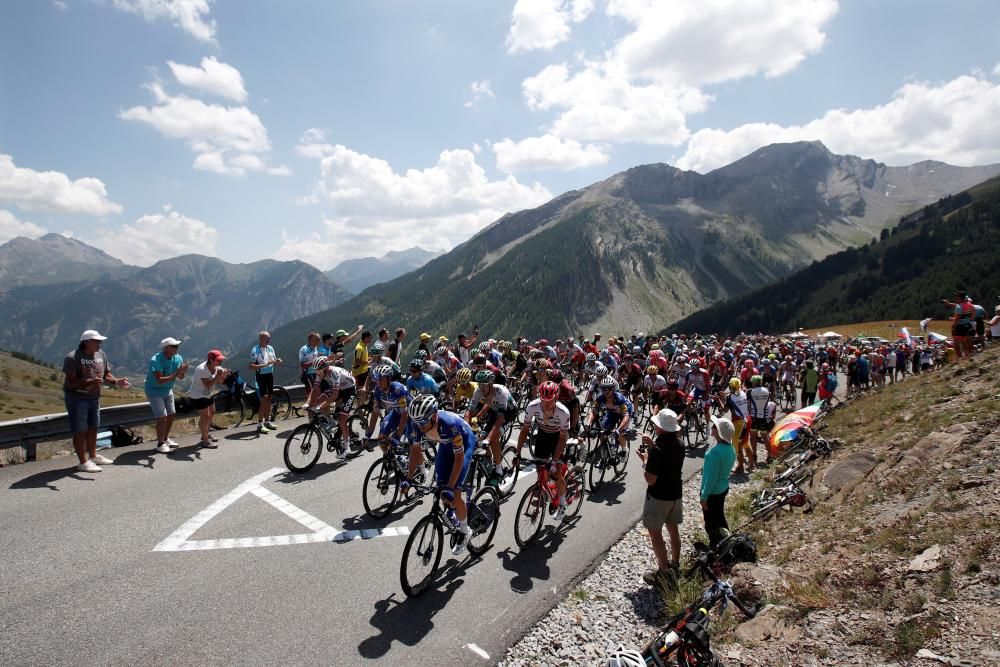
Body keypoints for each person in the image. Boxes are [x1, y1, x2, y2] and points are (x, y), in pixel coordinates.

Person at [408, 395, 476, 556]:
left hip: (465, 447)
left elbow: (459, 458)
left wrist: (451, 487)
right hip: (446, 447)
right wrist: (408, 478)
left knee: (454, 493)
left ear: (433, 415)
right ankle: (451, 509)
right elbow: (415, 450)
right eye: (417, 423)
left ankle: (466, 530)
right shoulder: (418, 422)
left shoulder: (449, 425)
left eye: (423, 422)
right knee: (441, 489)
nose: (420, 426)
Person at [62, 329, 131, 472]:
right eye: (97, 341)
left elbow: (106, 374)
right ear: (86, 342)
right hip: (77, 399)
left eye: (100, 341)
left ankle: (93, 456)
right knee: (80, 431)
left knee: (93, 427)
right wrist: (90, 382)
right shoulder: (72, 357)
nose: (100, 343)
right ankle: (83, 462)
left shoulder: (101, 354)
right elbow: (70, 383)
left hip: (94, 397)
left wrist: (116, 381)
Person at [638, 408, 685, 586]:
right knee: (673, 529)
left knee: (655, 533)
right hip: (675, 493)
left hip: (659, 496)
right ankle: (675, 565)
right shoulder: (680, 444)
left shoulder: (657, 451)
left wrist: (645, 460)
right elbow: (667, 459)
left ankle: (664, 573)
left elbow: (650, 479)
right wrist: (652, 447)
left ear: (661, 428)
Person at [516, 381, 570, 520]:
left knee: (556, 475)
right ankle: (542, 489)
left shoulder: (563, 412)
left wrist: (555, 460)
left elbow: (563, 439)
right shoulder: (532, 406)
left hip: (558, 438)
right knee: (541, 469)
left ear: (556, 397)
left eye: (550, 401)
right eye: (543, 400)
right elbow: (524, 430)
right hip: (542, 435)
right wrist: (517, 452)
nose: (546, 404)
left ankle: (563, 503)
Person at [144, 337, 189, 453]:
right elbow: (160, 380)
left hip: (167, 390)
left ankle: (165, 438)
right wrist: (177, 373)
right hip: (154, 391)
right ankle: (160, 444)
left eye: (177, 346)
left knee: (172, 414)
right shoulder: (156, 360)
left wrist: (182, 372)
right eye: (173, 346)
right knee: (162, 417)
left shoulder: (178, 358)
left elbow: (180, 377)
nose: (177, 348)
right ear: (165, 348)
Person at [701, 416, 736, 547]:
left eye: (715, 427)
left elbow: (710, 478)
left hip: (712, 492)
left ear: (719, 432)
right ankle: (726, 541)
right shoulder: (731, 448)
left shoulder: (714, 453)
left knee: (710, 522)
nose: (712, 427)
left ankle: (717, 545)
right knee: (719, 516)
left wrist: (704, 496)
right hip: (723, 488)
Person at [189, 349, 230, 448]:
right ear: (211, 360)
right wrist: (218, 375)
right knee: (206, 417)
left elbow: (220, 382)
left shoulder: (216, 367)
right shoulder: (202, 369)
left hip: (207, 394)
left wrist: (224, 375)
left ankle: (205, 433)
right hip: (197, 395)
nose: (221, 362)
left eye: (221, 360)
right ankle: (205, 441)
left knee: (212, 412)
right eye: (218, 360)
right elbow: (208, 385)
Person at [249, 331, 283, 434]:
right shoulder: (255, 350)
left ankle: (267, 422)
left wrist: (278, 361)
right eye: (267, 338)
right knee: (263, 400)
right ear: (261, 339)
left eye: (270, 338)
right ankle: (260, 424)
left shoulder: (270, 348)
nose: (269, 340)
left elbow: (272, 360)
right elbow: (251, 366)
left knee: (269, 399)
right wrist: (263, 365)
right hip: (261, 376)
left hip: (269, 375)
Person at [353, 330, 372, 405]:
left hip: (364, 371)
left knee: (364, 391)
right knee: (361, 391)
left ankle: (361, 407)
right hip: (359, 372)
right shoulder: (359, 347)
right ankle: (359, 409)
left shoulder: (364, 345)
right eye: (370, 337)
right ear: (366, 338)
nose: (371, 339)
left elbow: (363, 358)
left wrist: (368, 359)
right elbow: (357, 361)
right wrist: (368, 362)